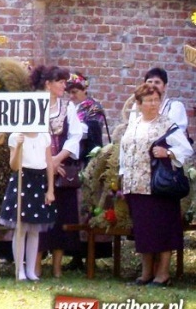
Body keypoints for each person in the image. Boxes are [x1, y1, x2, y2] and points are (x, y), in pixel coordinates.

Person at [120, 83, 193, 287]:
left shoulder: (167, 125)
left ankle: (163, 274)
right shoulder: (133, 124)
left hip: (158, 187)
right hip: (136, 186)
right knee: (143, 232)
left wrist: (168, 153)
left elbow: (186, 149)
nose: (153, 104)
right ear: (139, 103)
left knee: (162, 230)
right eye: (149, 100)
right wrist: (121, 175)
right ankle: (146, 274)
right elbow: (124, 152)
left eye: (156, 100)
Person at [34, 64, 86, 278]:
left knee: (60, 218)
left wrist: (57, 160)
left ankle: (56, 267)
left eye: (65, 82)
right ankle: (35, 265)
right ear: (48, 84)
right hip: (35, 167)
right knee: (36, 218)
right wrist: (45, 163)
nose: (64, 86)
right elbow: (28, 135)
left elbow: (75, 136)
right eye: (61, 82)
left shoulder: (68, 108)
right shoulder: (33, 104)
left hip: (61, 168)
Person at [0, 129, 57, 281]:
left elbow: (49, 164)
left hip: (38, 182)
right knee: (21, 228)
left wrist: (50, 189)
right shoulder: (15, 136)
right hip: (22, 180)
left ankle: (31, 270)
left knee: (34, 229)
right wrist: (18, 146)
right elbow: (14, 165)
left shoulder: (44, 136)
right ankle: (19, 270)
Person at [66, 72, 111, 270]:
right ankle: (74, 255)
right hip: (71, 162)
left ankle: (90, 254)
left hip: (88, 162)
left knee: (87, 206)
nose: (71, 96)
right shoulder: (68, 107)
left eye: (75, 92)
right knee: (73, 210)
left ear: (85, 89)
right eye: (69, 92)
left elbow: (93, 134)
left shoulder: (94, 108)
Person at [130, 67, 189, 133]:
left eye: (157, 82)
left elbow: (175, 134)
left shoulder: (175, 107)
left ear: (165, 86)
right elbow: (131, 129)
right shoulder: (137, 105)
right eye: (149, 82)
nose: (152, 85)